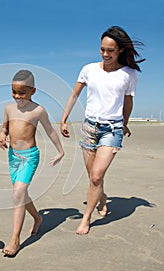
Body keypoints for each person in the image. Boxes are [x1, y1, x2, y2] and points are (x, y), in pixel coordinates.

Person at [60, 26, 145, 235]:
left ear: (120, 51)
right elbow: (74, 95)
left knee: (96, 176)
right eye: (102, 49)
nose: (105, 54)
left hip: (112, 129)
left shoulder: (130, 74)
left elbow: (127, 102)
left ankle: (86, 218)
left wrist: (124, 123)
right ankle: (102, 197)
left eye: (111, 51)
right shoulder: (88, 69)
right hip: (89, 127)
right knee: (93, 177)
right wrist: (64, 119)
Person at [0, 69, 65, 256]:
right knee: (21, 195)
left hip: (30, 157)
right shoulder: (8, 109)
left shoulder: (38, 110)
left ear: (32, 91)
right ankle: (37, 218)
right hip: (12, 156)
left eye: (22, 92)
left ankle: (15, 240)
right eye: (14, 92)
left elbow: (51, 131)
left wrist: (61, 151)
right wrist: (2, 135)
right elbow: (4, 128)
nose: (17, 96)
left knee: (17, 195)